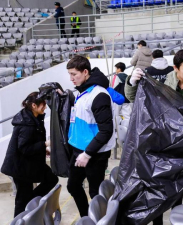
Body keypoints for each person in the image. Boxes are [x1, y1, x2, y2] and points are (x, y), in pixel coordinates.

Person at [125, 49, 183, 225]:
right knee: (157, 189)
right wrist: (132, 81)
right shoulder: (162, 83)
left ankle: (176, 219)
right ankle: (157, 222)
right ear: (176, 68)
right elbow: (134, 97)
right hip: (160, 146)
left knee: (178, 189)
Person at [65, 56, 115, 217]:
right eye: (70, 74)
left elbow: (106, 131)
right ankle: (86, 218)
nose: (71, 78)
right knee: (73, 185)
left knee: (95, 193)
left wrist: (87, 154)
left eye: (74, 74)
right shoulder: (84, 91)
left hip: (94, 154)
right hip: (79, 150)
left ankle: (99, 220)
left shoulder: (99, 95)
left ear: (85, 72)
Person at [1, 92, 59, 217]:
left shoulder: (34, 117)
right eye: (43, 104)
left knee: (51, 179)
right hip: (20, 167)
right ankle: (19, 221)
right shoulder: (27, 124)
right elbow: (24, 148)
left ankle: (31, 204)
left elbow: (31, 142)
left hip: (30, 163)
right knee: (22, 199)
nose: (45, 107)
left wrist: (43, 150)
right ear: (33, 105)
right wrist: (44, 144)